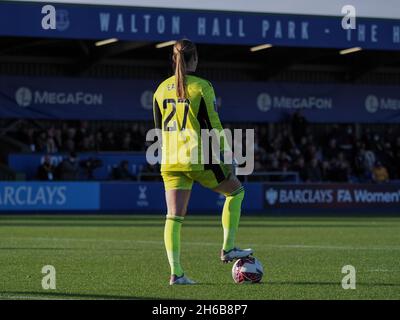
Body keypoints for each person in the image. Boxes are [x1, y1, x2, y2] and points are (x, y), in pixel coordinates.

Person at [153, 39, 252, 285]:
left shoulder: (160, 89)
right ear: (194, 59)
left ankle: (177, 273)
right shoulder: (202, 87)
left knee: (173, 217)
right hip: (197, 156)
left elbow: (157, 130)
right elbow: (213, 125)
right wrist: (228, 155)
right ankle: (228, 248)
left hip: (169, 160)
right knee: (236, 192)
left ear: (174, 60)